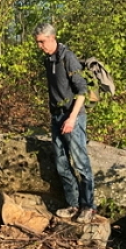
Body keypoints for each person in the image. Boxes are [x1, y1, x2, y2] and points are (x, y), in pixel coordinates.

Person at [33, 23, 97, 224]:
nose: (40, 46)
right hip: (57, 117)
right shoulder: (48, 59)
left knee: (80, 163)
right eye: (38, 43)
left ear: (52, 38)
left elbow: (82, 91)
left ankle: (88, 206)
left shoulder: (67, 57)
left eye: (42, 42)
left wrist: (72, 118)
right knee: (61, 163)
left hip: (73, 117)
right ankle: (73, 204)